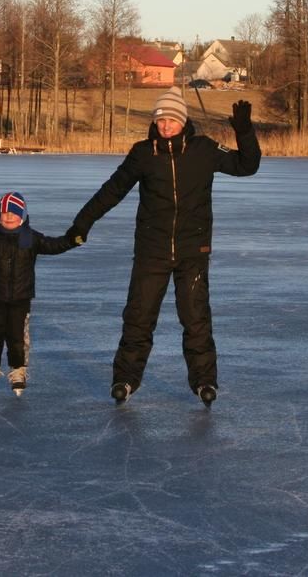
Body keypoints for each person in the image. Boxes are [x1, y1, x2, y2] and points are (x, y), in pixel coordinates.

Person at [67, 87, 259, 406]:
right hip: (151, 250)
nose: (166, 125)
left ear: (183, 121)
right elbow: (112, 190)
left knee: (195, 318)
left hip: (192, 251)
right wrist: (82, 222)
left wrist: (244, 131)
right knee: (139, 316)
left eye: (171, 119)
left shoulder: (204, 150)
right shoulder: (143, 154)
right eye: (161, 120)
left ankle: (204, 382)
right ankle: (125, 379)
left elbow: (247, 165)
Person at [0, 191, 80, 396]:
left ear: (22, 215)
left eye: (13, 213)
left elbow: (53, 245)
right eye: (5, 213)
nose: (8, 217)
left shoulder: (30, 238)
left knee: (17, 337)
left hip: (21, 297)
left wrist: (71, 240)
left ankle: (18, 371)